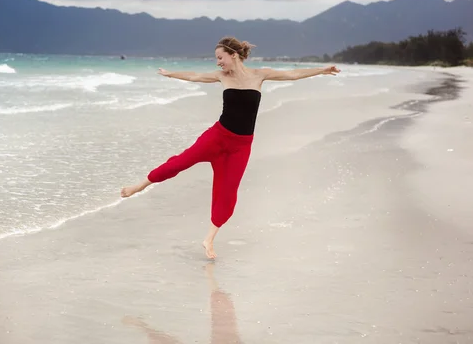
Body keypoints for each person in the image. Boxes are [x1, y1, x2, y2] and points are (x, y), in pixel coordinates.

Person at [121, 36, 340, 259]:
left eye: (220, 58)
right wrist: (170, 74)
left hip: (241, 146)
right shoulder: (221, 77)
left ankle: (209, 239)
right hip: (217, 137)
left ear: (233, 55)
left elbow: (292, 75)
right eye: (216, 59)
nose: (218, 62)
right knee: (179, 163)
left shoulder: (259, 75)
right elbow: (194, 76)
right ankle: (140, 185)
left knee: (228, 193)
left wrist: (321, 70)